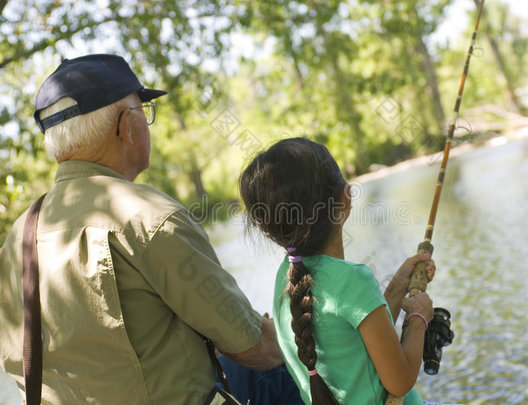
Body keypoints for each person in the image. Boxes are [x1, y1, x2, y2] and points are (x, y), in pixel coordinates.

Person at [0, 54, 285, 404]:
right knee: (284, 367)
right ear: (126, 124)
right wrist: (300, 333)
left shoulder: (17, 239)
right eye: (143, 111)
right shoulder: (147, 215)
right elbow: (252, 346)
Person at [239, 137, 436, 405]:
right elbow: (399, 379)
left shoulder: (284, 280)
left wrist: (398, 285)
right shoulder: (354, 279)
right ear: (345, 198)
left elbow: (358, 344)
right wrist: (418, 318)